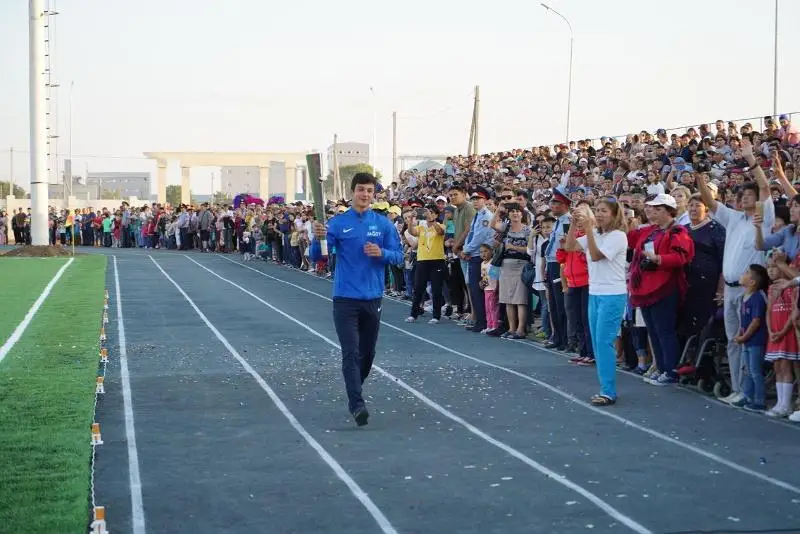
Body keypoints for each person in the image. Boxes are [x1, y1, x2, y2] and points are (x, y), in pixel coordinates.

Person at [313, 172, 403, 426]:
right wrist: (317, 236)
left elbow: (399, 256)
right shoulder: (338, 224)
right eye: (361, 189)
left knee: (367, 353)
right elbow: (318, 256)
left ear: (374, 194)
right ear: (353, 192)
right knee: (350, 352)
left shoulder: (383, 224)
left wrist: (381, 252)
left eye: (369, 190)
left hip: (372, 298)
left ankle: (354, 387)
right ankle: (357, 403)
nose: (365, 194)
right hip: (345, 298)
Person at [568, 198, 629, 405]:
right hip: (595, 293)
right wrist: (573, 224)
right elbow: (570, 247)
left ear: (613, 214)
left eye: (604, 211)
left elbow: (595, 256)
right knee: (597, 343)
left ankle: (608, 391)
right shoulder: (594, 234)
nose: (599, 214)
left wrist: (588, 230)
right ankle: (606, 387)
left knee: (604, 342)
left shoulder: (618, 236)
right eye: (597, 210)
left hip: (613, 294)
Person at [732, 264, 769, 411]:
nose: (743, 274)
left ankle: (759, 401)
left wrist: (744, 337)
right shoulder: (744, 297)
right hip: (747, 341)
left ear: (752, 282)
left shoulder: (757, 298)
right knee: (747, 369)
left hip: (755, 341)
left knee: (755, 371)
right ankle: (747, 397)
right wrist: (740, 335)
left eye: (747, 272)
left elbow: (756, 321)